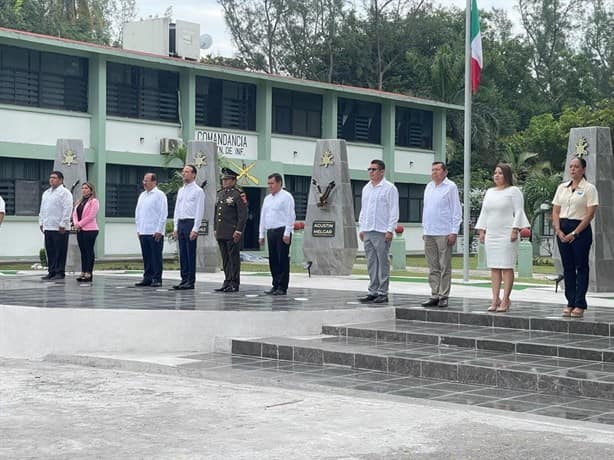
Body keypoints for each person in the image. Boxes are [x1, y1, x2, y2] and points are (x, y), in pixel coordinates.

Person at [475, 163, 529, 313]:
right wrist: (482, 231)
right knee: (494, 267)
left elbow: (518, 211)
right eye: (495, 173)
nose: (496, 175)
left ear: (507, 175)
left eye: (500, 173)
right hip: (492, 233)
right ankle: (494, 298)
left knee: (506, 266)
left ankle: (505, 299)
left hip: (507, 233)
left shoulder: (513, 191)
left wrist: (515, 229)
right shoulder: (490, 192)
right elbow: (484, 212)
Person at [552, 157, 599, 318]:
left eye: (576, 167)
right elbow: (556, 211)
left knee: (581, 267)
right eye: (571, 167)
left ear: (583, 169)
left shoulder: (589, 188)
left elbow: (590, 214)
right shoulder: (562, 188)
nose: (573, 169)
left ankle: (580, 303)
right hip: (562, 230)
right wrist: (558, 230)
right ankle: (570, 301)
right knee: (568, 268)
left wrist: (575, 233)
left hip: (580, 230)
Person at [421, 162, 462, 308]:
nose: (435, 172)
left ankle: (443, 295)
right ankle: (434, 294)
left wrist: (453, 231)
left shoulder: (450, 187)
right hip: (429, 232)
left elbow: (456, 210)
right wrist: (424, 230)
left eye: (438, 170)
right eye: (433, 170)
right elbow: (426, 209)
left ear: (445, 172)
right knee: (433, 266)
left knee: (444, 265)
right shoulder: (429, 186)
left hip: (444, 232)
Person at [358, 159, 399, 304]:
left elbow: (394, 211)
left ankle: (383, 292)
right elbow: (363, 210)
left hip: (382, 230)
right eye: (369, 169)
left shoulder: (389, 188)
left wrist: (390, 229)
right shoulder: (366, 188)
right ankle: (373, 291)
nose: (371, 172)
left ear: (382, 171)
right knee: (371, 262)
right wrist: (361, 227)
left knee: (382, 262)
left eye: (374, 169)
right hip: (368, 229)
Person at [259, 173, 296, 296]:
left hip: (282, 231)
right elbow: (263, 217)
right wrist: (261, 234)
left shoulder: (286, 197)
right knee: (273, 259)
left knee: (282, 259)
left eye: (272, 183)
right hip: (271, 231)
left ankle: (282, 286)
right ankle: (275, 284)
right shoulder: (267, 198)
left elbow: (291, 216)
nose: (270, 186)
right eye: (268, 183)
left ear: (279, 183)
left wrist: (287, 232)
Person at [214, 168, 248, 293]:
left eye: (227, 179)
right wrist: (214, 228)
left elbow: (242, 214)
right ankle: (227, 281)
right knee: (225, 258)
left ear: (234, 180)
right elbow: (216, 213)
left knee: (233, 258)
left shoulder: (238, 194)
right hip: (221, 231)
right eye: (224, 180)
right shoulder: (221, 193)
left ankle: (234, 282)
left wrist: (239, 230)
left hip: (232, 231)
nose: (225, 182)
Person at [172, 165, 205, 290]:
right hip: (181, 222)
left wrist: (195, 228)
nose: (184, 174)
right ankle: (183, 279)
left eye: (186, 172)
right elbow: (177, 209)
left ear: (193, 174)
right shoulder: (181, 190)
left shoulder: (198, 191)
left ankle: (190, 281)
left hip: (190, 223)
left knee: (190, 253)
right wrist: (175, 226)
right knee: (183, 254)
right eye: (183, 172)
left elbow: (199, 211)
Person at [134, 173, 168, 288]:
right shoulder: (142, 195)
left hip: (155, 231)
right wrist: (138, 229)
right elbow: (138, 213)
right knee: (146, 256)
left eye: (147, 181)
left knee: (156, 256)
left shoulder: (159, 195)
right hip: (144, 231)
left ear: (154, 182)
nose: (144, 183)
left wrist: (159, 229)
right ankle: (147, 277)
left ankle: (157, 278)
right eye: (144, 180)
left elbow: (163, 214)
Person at [39, 170, 73, 281]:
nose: (51, 180)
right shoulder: (46, 193)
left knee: (60, 251)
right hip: (48, 226)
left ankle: (60, 272)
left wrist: (63, 223)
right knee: (50, 250)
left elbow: (67, 209)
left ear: (61, 180)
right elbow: (43, 209)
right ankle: (51, 271)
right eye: (50, 177)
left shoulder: (65, 193)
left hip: (60, 228)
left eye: (54, 178)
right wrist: (41, 222)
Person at [71, 182, 99, 282]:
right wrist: (75, 223)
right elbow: (74, 213)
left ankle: (89, 272)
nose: (84, 190)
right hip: (80, 230)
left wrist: (80, 224)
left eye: (86, 188)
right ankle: (83, 271)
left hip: (90, 229)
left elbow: (91, 216)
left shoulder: (94, 201)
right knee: (83, 251)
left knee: (89, 251)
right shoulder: (79, 202)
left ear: (91, 190)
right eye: (83, 188)